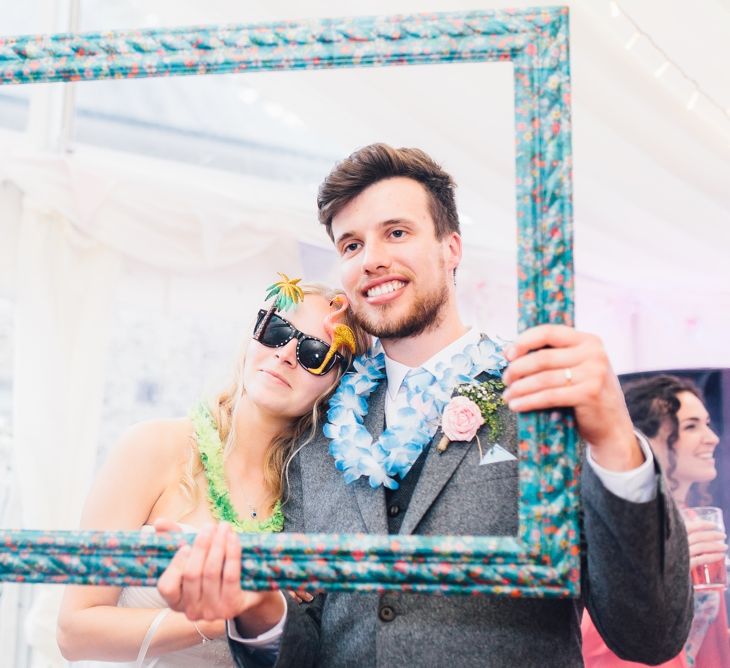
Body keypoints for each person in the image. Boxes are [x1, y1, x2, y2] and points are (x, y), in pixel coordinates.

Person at [157, 144, 693, 667]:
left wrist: (615, 440)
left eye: (396, 232)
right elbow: (306, 646)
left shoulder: (542, 394)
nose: (372, 260)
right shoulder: (317, 442)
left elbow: (649, 635)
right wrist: (257, 607)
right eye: (350, 245)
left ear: (451, 247)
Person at [56, 282, 369, 666]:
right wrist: (229, 613)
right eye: (276, 330)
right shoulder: (152, 447)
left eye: (314, 353)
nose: (285, 354)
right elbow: (74, 632)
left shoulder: (317, 505)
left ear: (340, 382)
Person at [582, 375, 728, 668]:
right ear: (645, 440)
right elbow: (593, 633)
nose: (712, 438)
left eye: (707, 423)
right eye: (690, 426)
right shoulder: (615, 527)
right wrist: (663, 568)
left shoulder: (696, 520)